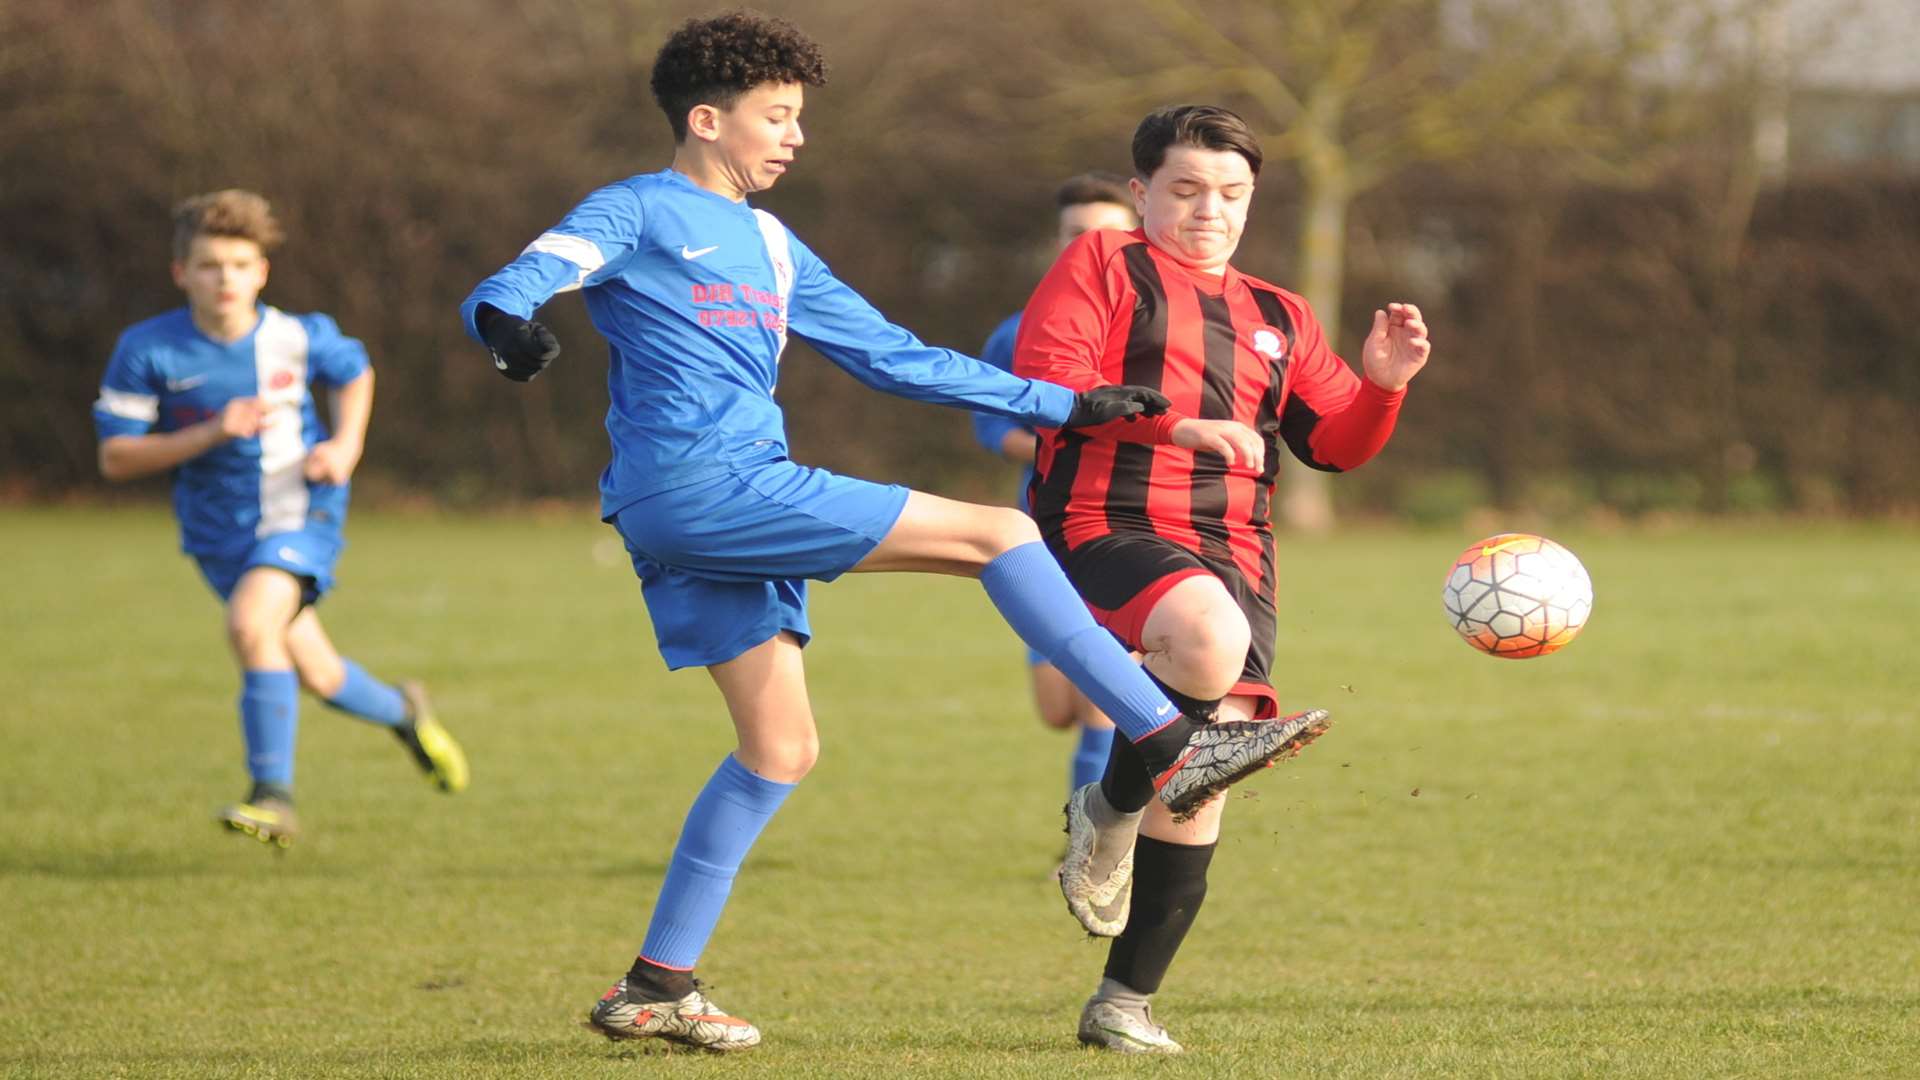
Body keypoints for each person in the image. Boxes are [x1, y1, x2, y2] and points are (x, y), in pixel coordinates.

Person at [459, 12, 1326, 1053]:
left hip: (694, 514)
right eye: (775, 116)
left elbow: (894, 356)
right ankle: (1168, 738)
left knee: (779, 750)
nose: (794, 136)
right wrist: (505, 325)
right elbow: (518, 279)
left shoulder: (773, 244)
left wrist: (1064, 405)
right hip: (710, 489)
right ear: (705, 119)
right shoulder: (638, 209)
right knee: (1001, 534)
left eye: (798, 117)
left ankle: (656, 985)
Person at [1015, 105, 1430, 1053]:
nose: (1211, 210)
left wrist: (1382, 386)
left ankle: (1122, 1002)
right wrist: (1176, 427)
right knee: (1205, 638)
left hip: (1236, 552)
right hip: (1100, 523)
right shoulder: (1103, 266)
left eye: (1232, 193)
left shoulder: (1281, 314)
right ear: (1140, 194)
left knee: (1198, 791)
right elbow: (1052, 378)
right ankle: (1110, 806)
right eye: (1187, 189)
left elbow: (1336, 446)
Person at [92, 189, 469, 850]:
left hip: (303, 511)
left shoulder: (298, 336)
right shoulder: (147, 349)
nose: (226, 279)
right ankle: (406, 714)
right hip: (217, 533)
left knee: (248, 625)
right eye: (210, 266)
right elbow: (116, 458)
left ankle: (272, 795)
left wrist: (346, 446)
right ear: (182, 273)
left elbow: (355, 371)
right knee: (317, 674)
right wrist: (210, 432)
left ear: (262, 271)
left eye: (241, 264)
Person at [971, 174, 1137, 821]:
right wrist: (1064, 439)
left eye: (1106, 233)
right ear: (1058, 241)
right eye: (1076, 234)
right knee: (1058, 709)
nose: (1090, 245)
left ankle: (1091, 836)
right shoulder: (1019, 331)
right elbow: (992, 427)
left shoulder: (1151, 328)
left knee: (1099, 699)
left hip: (1122, 527)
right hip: (1042, 528)